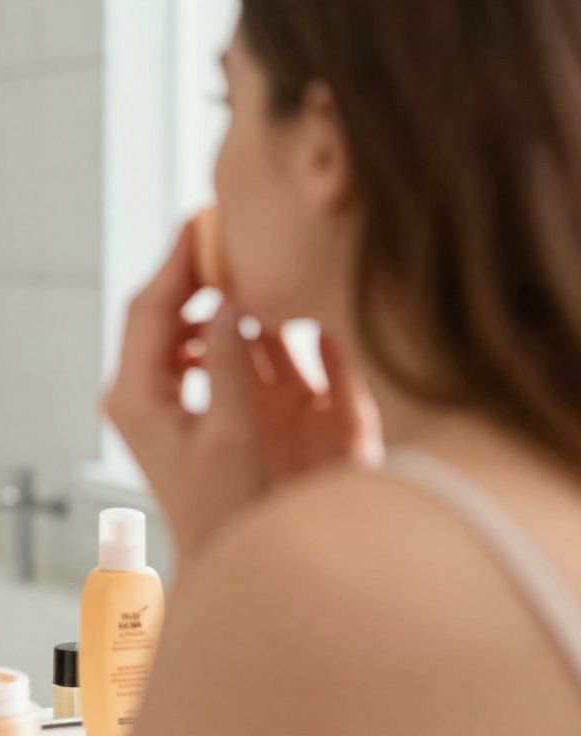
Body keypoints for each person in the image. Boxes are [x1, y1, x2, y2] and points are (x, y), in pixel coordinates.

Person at [102, 2, 581, 733]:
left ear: (323, 148)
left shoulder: (316, 587)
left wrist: (222, 561)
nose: (215, 169)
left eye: (227, 101)